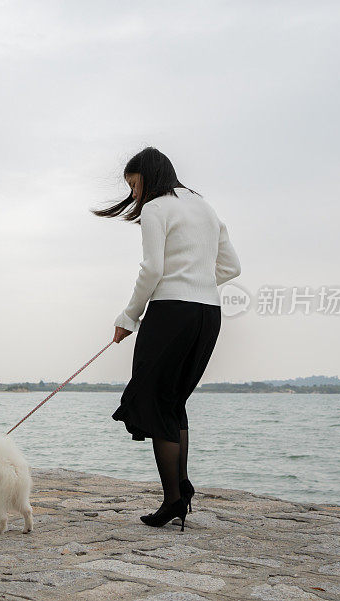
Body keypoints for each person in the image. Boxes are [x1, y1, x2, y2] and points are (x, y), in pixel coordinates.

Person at [91, 146, 241, 530]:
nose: (135, 194)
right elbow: (232, 267)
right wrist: (199, 285)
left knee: (156, 400)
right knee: (174, 401)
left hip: (170, 313)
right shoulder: (204, 206)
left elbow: (153, 267)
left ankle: (173, 498)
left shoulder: (157, 208)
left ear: (148, 177)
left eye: (134, 184)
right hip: (208, 314)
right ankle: (180, 491)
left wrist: (129, 315)